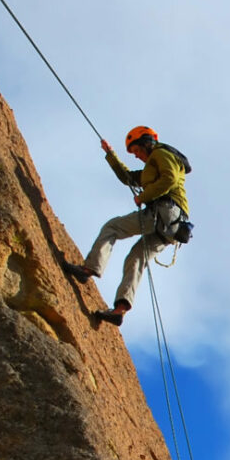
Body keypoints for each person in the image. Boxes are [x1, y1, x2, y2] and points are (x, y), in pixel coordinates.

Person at [63, 126, 190, 326]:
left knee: (112, 227)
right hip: (172, 227)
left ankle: (89, 269)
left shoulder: (161, 153)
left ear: (146, 143)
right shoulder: (151, 168)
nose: (137, 156)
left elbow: (170, 178)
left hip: (164, 212)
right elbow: (128, 178)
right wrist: (110, 154)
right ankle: (120, 310)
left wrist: (144, 196)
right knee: (136, 258)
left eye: (137, 151)